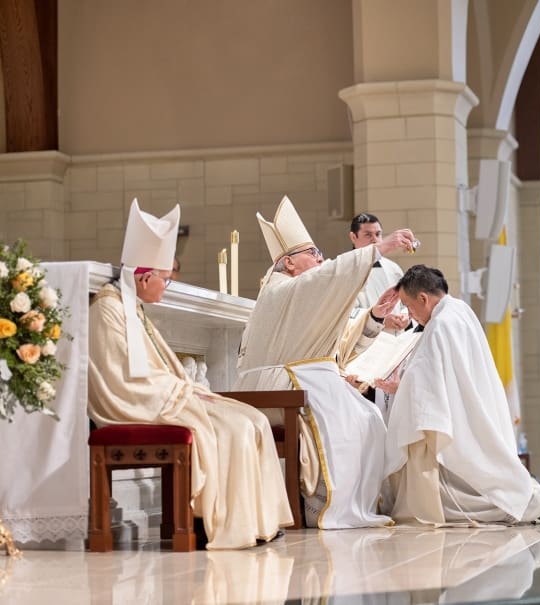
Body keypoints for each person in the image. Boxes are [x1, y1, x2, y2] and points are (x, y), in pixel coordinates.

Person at [87, 199, 292, 549]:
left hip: (162, 395)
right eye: (164, 280)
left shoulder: (129, 305)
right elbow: (118, 379)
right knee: (233, 427)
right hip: (133, 403)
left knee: (252, 419)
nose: (166, 287)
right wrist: (184, 393)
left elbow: (153, 368)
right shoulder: (108, 309)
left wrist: (185, 389)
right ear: (145, 276)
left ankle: (259, 522)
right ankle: (209, 521)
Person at [233, 196, 418, 529]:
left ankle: (355, 503)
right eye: (314, 254)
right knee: (352, 418)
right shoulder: (281, 290)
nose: (322, 259)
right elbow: (328, 277)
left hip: (299, 379)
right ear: (289, 263)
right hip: (280, 385)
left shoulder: (296, 293)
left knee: (368, 415)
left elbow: (339, 341)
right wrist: (380, 248)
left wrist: (375, 315)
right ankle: (322, 505)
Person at [380, 265, 540, 526]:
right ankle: (528, 495)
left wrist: (399, 386)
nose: (408, 314)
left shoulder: (439, 326)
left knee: (451, 499)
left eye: (408, 305)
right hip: (470, 405)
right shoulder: (459, 310)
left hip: (454, 417)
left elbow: (425, 379)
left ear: (423, 298)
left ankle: (531, 501)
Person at [349, 212, 409, 333]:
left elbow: (405, 302)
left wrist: (404, 316)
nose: (375, 239)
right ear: (353, 237)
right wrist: (377, 320)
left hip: (396, 340)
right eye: (368, 235)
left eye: (378, 234)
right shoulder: (346, 270)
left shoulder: (393, 268)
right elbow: (344, 314)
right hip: (366, 342)